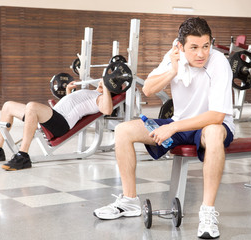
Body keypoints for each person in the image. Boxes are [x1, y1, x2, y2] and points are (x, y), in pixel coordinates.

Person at [93, 17, 234, 239]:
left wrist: (173, 127)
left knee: (215, 131)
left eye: (206, 46)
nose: (201, 54)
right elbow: (148, 89)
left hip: (210, 125)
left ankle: (207, 212)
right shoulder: (173, 58)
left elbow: (216, 116)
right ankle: (130, 201)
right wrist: (173, 70)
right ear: (180, 46)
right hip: (180, 121)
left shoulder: (219, 62)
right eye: (194, 47)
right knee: (123, 131)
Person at [0, 79, 113, 171]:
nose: (101, 81)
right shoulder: (91, 92)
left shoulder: (100, 98)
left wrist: (106, 89)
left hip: (62, 124)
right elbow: (71, 105)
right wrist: (69, 92)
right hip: (55, 116)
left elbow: (107, 110)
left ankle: (23, 155)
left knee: (32, 106)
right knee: (8, 106)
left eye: (106, 81)